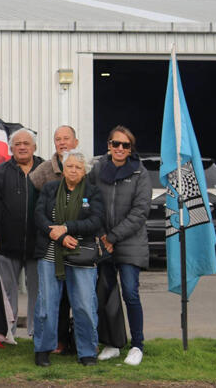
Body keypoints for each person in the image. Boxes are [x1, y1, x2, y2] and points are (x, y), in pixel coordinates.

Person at [33, 150, 104, 368]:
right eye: (70, 166)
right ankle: (43, 349)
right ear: (63, 169)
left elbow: (95, 221)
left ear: (84, 172)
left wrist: (66, 228)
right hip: (50, 256)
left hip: (81, 256)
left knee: (84, 304)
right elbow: (38, 215)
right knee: (47, 304)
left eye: (78, 167)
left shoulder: (93, 193)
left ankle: (87, 351)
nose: (73, 170)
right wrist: (56, 234)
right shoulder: (50, 188)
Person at [89, 126, 151, 366]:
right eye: (116, 144)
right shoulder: (97, 169)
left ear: (130, 148)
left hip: (129, 243)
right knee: (106, 295)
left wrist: (113, 237)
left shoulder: (140, 173)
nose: (120, 149)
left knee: (130, 293)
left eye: (125, 145)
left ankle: (137, 345)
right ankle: (113, 343)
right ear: (109, 145)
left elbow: (140, 211)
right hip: (104, 242)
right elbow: (92, 202)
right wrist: (103, 235)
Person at [29, 125, 78, 355]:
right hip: (51, 243)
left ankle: (77, 341)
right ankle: (55, 341)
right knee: (52, 298)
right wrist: (51, 230)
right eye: (58, 139)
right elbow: (34, 205)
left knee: (76, 297)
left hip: (78, 244)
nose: (62, 142)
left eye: (66, 138)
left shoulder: (85, 166)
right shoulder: (43, 171)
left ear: (75, 142)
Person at [0, 128, 43, 338]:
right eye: (17, 144)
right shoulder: (0, 172)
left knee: (38, 293)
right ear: (11, 148)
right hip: (6, 246)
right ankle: (8, 332)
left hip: (38, 245)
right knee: (6, 292)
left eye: (26, 143)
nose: (22, 147)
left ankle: (36, 331)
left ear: (34, 147)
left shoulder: (45, 169)